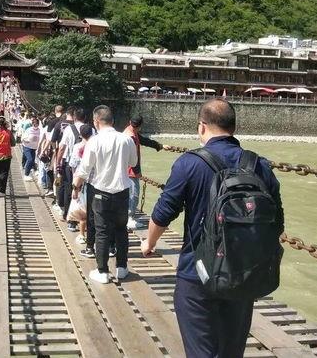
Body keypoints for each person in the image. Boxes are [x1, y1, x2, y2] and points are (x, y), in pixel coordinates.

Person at [141, 99, 284, 358]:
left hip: (197, 274)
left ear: (201, 126)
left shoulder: (189, 163)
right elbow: (278, 223)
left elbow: (163, 214)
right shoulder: (260, 165)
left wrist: (149, 243)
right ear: (234, 127)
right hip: (243, 274)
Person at [73, 105, 137, 284]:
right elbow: (133, 162)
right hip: (122, 192)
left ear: (96, 121)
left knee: (102, 231)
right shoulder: (126, 139)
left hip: (100, 192)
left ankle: (102, 271)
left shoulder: (94, 141)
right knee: (121, 230)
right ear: (112, 121)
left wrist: (75, 187)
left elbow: (84, 169)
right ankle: (122, 268)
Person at [123, 115, 171, 229]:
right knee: (134, 194)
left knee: (129, 194)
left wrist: (160, 146)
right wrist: (137, 173)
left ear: (130, 122)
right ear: (140, 126)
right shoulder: (131, 137)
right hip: (130, 171)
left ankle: (127, 217)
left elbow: (144, 141)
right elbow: (133, 158)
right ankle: (129, 218)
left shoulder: (129, 131)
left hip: (126, 170)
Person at [56, 107, 88, 231]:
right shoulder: (91, 130)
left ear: (74, 117)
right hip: (88, 167)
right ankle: (85, 221)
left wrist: (58, 162)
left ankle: (70, 219)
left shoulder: (69, 129)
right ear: (85, 118)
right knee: (85, 193)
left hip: (72, 165)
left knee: (70, 190)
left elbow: (62, 147)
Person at [69, 123, 94, 244]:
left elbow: (73, 165)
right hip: (94, 181)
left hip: (80, 181)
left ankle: (82, 234)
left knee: (81, 209)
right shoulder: (95, 145)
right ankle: (92, 236)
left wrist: (74, 184)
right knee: (92, 209)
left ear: (80, 134)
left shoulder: (77, 147)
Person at [21, 116, 41, 181]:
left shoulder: (39, 130)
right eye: (34, 124)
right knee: (30, 160)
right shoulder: (29, 130)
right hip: (27, 147)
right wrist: (28, 140)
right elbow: (23, 138)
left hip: (34, 147)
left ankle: (35, 170)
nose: (35, 125)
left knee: (32, 160)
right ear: (32, 124)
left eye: (37, 124)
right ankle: (26, 175)